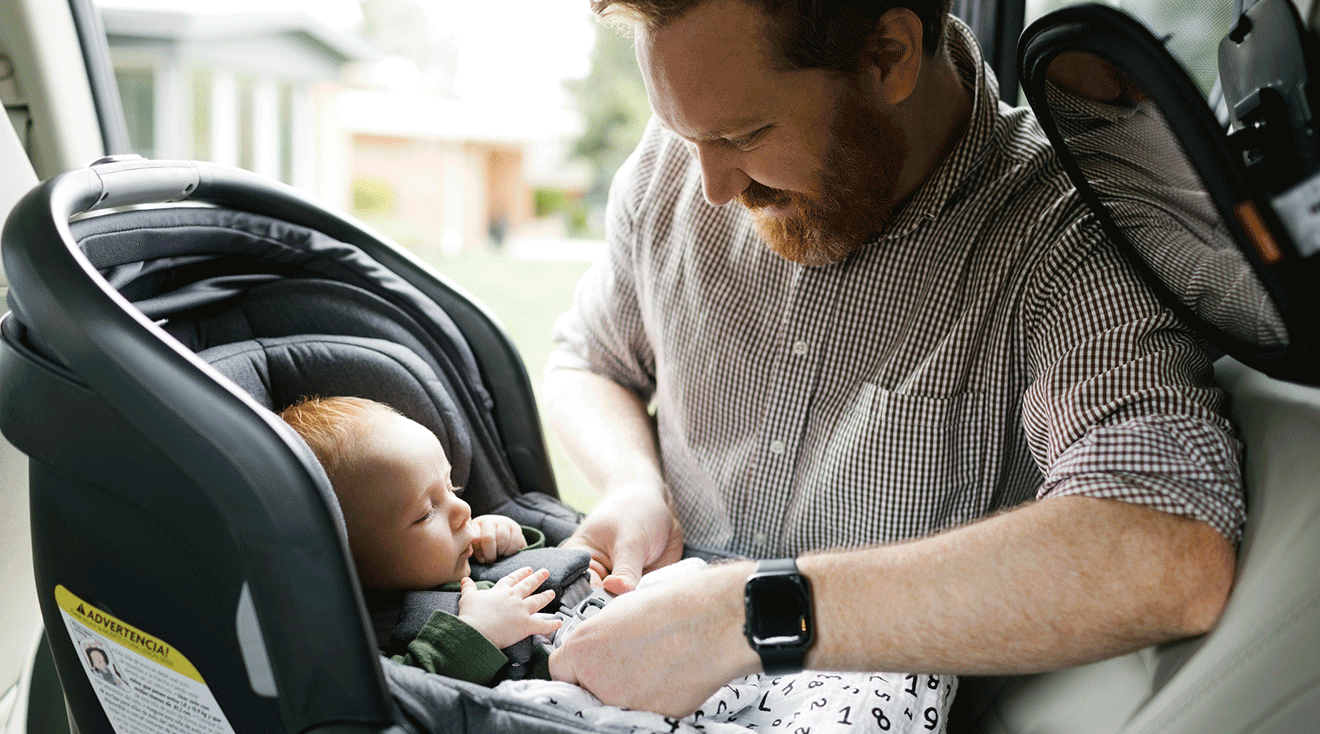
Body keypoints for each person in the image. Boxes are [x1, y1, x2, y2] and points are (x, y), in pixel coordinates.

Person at [543, 0, 1245, 719]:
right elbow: (589, 361)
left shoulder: (1063, 238)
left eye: (746, 134)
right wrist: (634, 486)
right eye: (684, 133)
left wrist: (747, 615)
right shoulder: (682, 161)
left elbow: (1167, 551)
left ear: (888, 55)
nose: (714, 188)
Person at [279, 396, 562, 685]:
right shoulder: (375, 636)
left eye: (451, 487)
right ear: (350, 562)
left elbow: (535, 582)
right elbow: (412, 694)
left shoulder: (458, 557)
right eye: (426, 514)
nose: (463, 510)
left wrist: (509, 540)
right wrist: (476, 631)